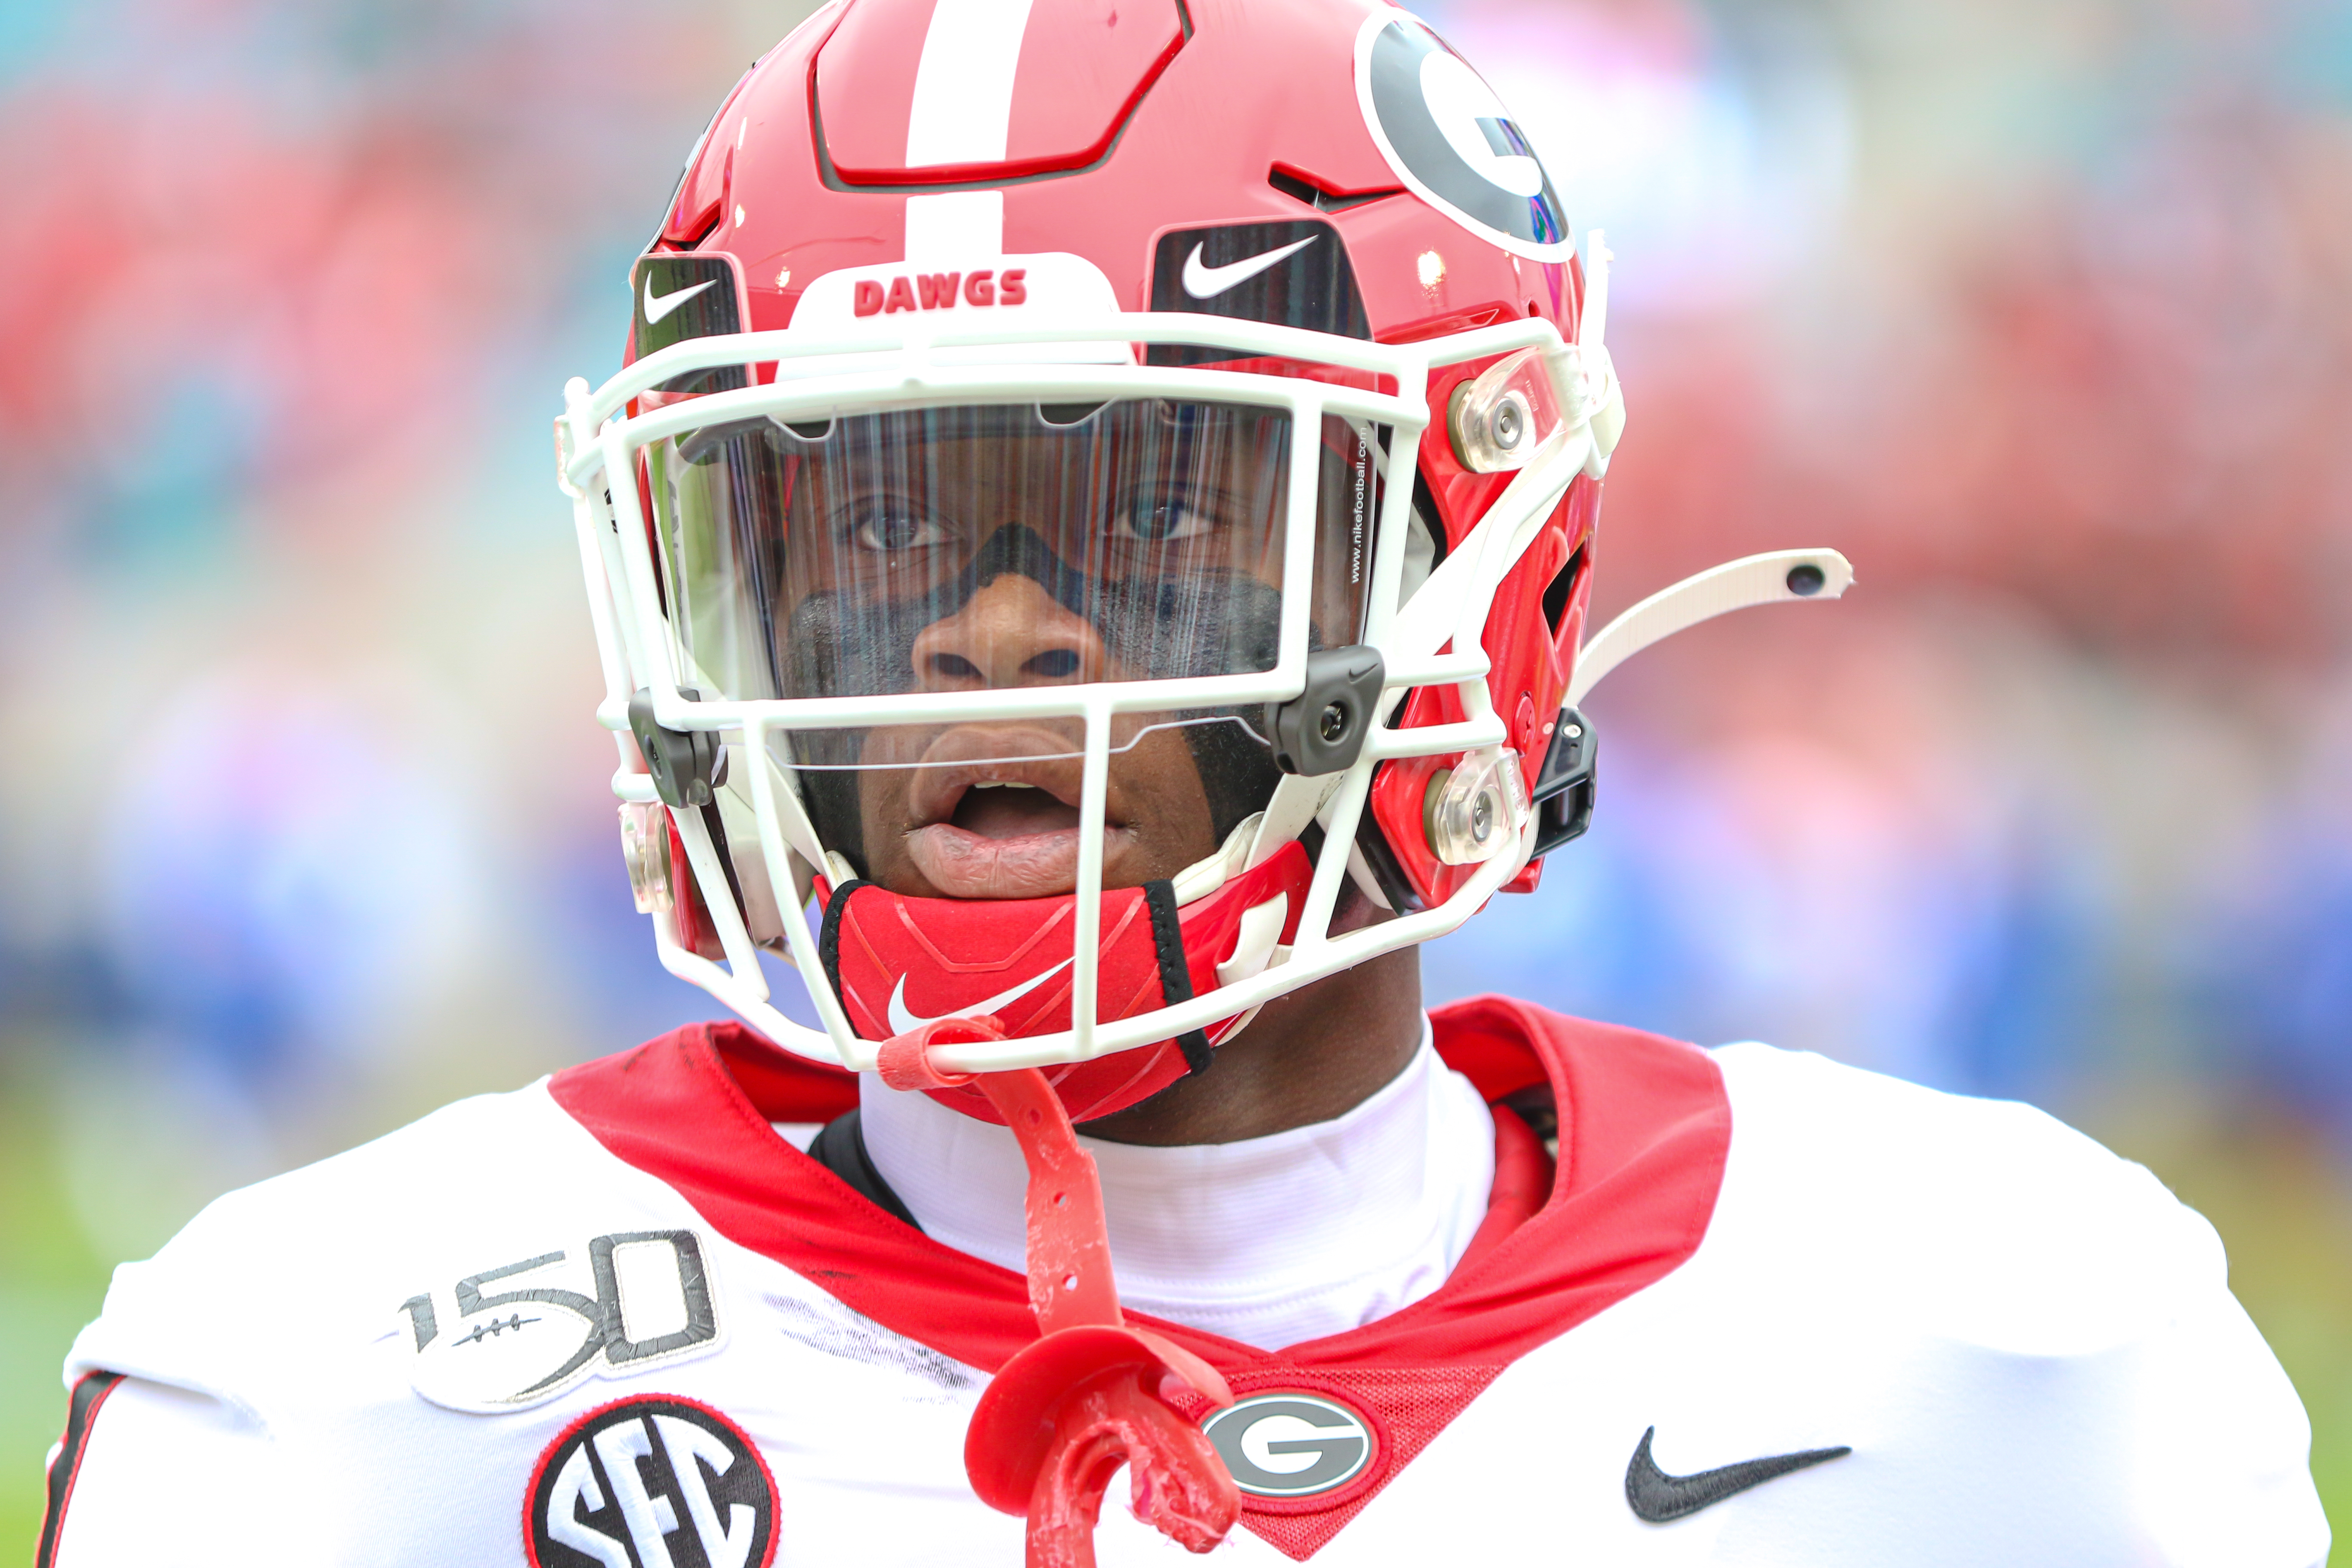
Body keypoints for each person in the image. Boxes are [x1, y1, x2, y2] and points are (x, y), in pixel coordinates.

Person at [40, 0, 2331, 1563]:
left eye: (1153, 508)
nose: (983, 630)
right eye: (869, 526)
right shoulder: (342, 1391)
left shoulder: (2009, 1344)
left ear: (1476, 557)